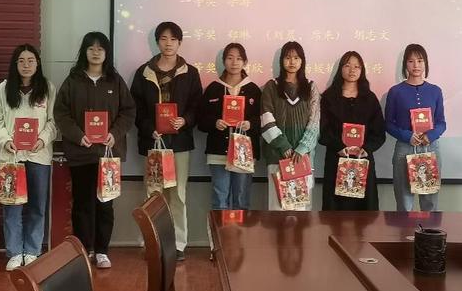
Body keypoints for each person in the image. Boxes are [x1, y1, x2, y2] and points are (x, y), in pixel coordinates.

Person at [53, 32, 135, 269]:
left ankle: (101, 251)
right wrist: (78, 136)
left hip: (108, 155)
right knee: (82, 203)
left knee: (105, 204)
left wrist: (114, 134)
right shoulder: (73, 81)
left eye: (100, 48)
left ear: (106, 53)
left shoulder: (115, 81)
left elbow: (128, 111)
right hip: (81, 154)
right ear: (84, 52)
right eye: (91, 48)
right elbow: (61, 113)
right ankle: (83, 248)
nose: (96, 52)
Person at [131, 21, 202, 261]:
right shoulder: (144, 72)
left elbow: (197, 105)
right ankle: (153, 243)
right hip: (153, 143)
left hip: (179, 143)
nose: (168, 43)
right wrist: (149, 129)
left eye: (173, 39)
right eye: (163, 38)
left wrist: (185, 120)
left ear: (179, 42)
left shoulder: (190, 72)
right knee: (153, 194)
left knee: (178, 194)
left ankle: (179, 244)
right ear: (157, 42)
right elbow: (135, 108)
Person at [0, 44, 57, 271]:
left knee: (37, 206)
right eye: (21, 61)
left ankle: (32, 250)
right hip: (11, 158)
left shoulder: (47, 88)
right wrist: (5, 140)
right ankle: (14, 252)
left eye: (31, 61)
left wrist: (43, 140)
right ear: (15, 64)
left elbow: (53, 122)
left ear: (38, 64)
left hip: (39, 156)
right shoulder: (3, 89)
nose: (26, 65)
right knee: (12, 206)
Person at [198, 43, 261, 210]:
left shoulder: (253, 90)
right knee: (220, 200)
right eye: (230, 58)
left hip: (244, 153)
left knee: (241, 200)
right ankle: (220, 229)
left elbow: (262, 120)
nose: (234, 62)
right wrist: (214, 123)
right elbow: (201, 121)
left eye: (239, 59)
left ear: (245, 62)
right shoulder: (213, 88)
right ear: (223, 61)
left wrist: (250, 124)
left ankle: (241, 229)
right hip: (218, 152)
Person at [319, 51, 386, 210]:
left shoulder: (370, 98)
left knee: (364, 214)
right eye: (347, 65)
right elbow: (322, 130)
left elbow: (379, 132)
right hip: (337, 159)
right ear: (340, 69)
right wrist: (339, 147)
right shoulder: (328, 97)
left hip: (363, 160)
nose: (352, 70)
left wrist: (366, 148)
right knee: (334, 214)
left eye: (357, 67)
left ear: (362, 70)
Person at [384, 44, 446, 211]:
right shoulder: (395, 91)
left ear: (425, 63)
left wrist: (430, 136)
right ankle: (404, 229)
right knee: (404, 201)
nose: (416, 65)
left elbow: (441, 122)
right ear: (405, 64)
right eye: (411, 61)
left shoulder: (435, 91)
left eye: (420, 60)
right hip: (405, 147)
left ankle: (429, 229)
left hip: (430, 147)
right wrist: (407, 136)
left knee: (430, 202)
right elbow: (388, 123)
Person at [260, 42, 320, 210]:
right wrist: (283, 145)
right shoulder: (271, 86)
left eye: (296, 58)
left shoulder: (311, 87)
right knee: (278, 208)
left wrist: (302, 148)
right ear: (281, 61)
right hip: (277, 156)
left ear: (302, 61)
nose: (292, 62)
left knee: (302, 210)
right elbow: (266, 119)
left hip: (303, 159)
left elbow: (314, 122)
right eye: (287, 57)